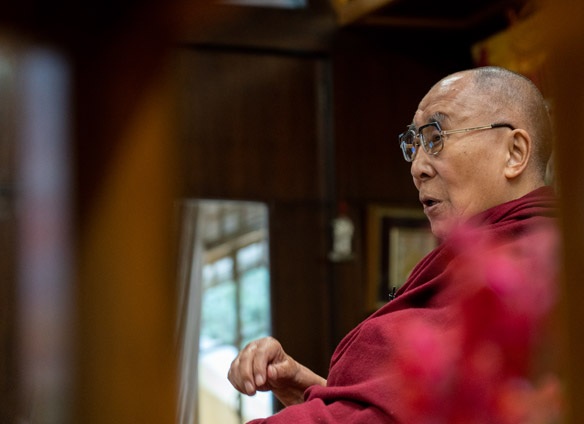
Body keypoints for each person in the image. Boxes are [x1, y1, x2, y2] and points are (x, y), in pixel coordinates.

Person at [227, 66, 558, 423]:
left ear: (514, 152)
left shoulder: (534, 269)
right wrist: (311, 392)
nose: (418, 167)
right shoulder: (474, 264)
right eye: (414, 144)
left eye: (435, 138)